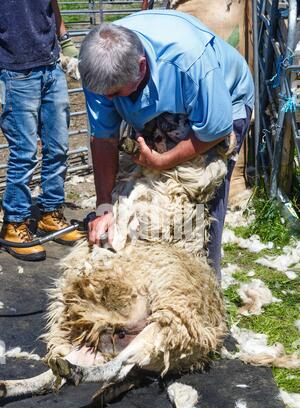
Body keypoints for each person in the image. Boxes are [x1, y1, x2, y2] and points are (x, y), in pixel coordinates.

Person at [78, 9, 254, 278]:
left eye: (114, 94)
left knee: (198, 200)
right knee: (140, 198)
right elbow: (103, 138)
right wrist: (104, 208)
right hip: (162, 102)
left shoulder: (189, 59)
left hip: (221, 106)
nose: (109, 100)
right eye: (105, 94)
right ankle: (147, 276)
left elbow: (215, 130)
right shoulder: (100, 69)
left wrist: (162, 161)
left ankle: (201, 284)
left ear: (141, 67)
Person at [0, 0, 84, 261]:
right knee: (24, 153)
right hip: (15, 71)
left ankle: (50, 213)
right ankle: (15, 223)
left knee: (58, 147)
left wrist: (65, 41)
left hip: (51, 66)